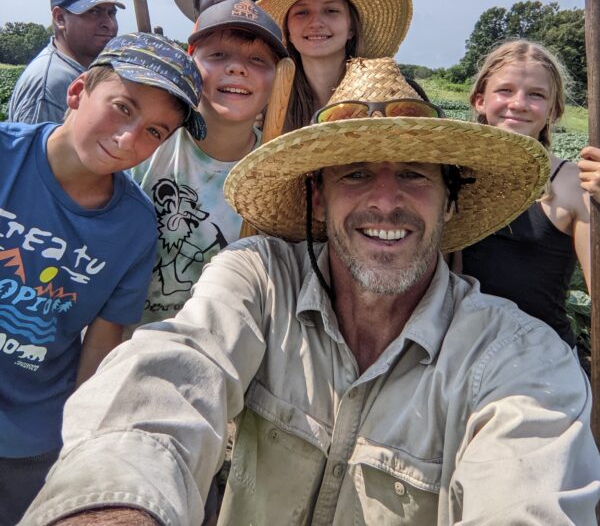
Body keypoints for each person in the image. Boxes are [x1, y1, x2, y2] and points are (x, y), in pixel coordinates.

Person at [23, 57, 600, 526]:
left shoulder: (518, 358)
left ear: (450, 199)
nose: (384, 199)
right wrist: (113, 505)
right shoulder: (260, 278)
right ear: (318, 199)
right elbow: (169, 377)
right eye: (354, 173)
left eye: (414, 174)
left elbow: (529, 497)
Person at [0, 32, 205, 526]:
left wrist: (80, 444)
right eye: (122, 108)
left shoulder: (133, 227)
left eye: (155, 132)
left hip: (33, 440)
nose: (128, 139)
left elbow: (104, 338)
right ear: (77, 93)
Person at [129, 0, 287, 328]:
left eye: (258, 60)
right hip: (127, 349)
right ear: (191, 63)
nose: (237, 68)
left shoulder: (281, 179)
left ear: (278, 81)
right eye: (218, 55)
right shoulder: (145, 148)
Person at [457, 39, 600, 348]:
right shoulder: (456, 175)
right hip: (461, 354)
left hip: (541, 356)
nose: (519, 103)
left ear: (553, 110)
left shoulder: (573, 183)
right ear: (480, 101)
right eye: (505, 90)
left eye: (536, 95)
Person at [259, 0, 413, 131]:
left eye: (331, 11)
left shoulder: (393, 94)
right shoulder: (267, 102)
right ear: (288, 33)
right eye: (302, 12)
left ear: (351, 28)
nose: (316, 23)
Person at [8, 0, 125, 124]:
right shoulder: (52, 84)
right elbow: (38, 148)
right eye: (94, 12)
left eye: (111, 13)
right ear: (60, 18)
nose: (109, 24)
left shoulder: (82, 70)